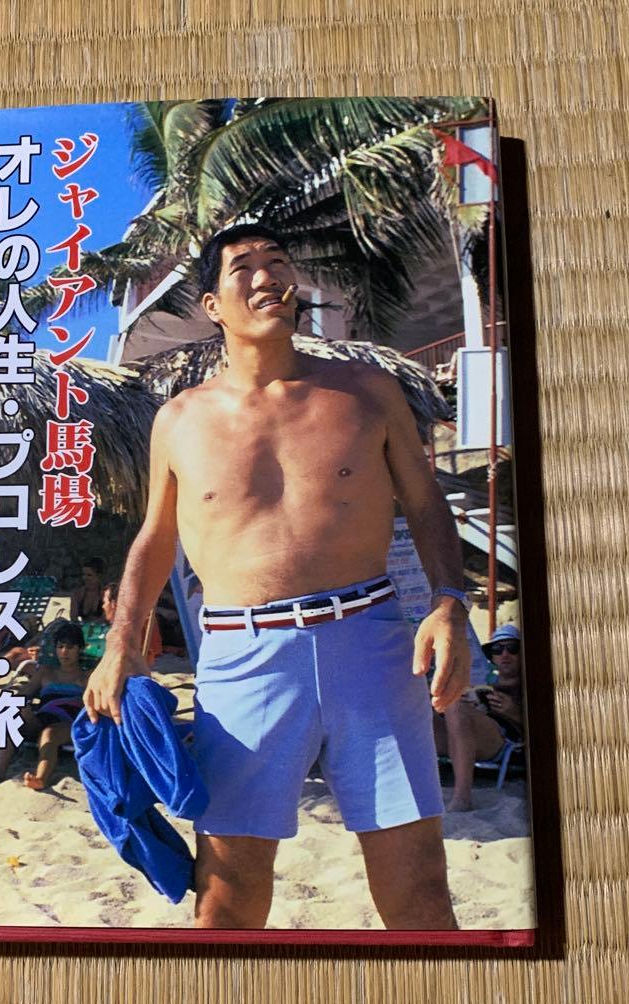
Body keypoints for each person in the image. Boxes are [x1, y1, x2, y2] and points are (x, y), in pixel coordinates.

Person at [83, 224, 471, 930]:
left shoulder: (366, 392)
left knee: (418, 883)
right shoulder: (180, 419)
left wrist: (449, 601)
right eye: (244, 267)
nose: (268, 277)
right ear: (212, 305)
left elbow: (424, 503)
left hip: (371, 642)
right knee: (226, 889)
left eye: (279, 262)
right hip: (243, 654)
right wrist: (120, 646)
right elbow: (156, 538)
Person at [0, 622, 90, 790]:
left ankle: (40, 778)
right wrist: (18, 704)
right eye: (60, 647)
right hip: (40, 719)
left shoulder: (86, 677)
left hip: (67, 723)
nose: (64, 652)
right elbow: (24, 693)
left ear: (80, 649)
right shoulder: (46, 672)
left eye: (70, 647)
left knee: (49, 734)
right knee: (12, 719)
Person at [434, 624, 523, 812]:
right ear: (491, 656)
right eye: (498, 649)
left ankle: (462, 798)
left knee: (456, 706)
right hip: (465, 730)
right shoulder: (485, 681)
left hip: (503, 740)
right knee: (420, 709)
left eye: (512, 648)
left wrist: (514, 712)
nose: (505, 654)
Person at [102, 580, 163, 667]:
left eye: (105, 602)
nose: (103, 606)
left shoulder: (137, 623)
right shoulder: (133, 621)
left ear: (113, 604)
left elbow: (153, 652)